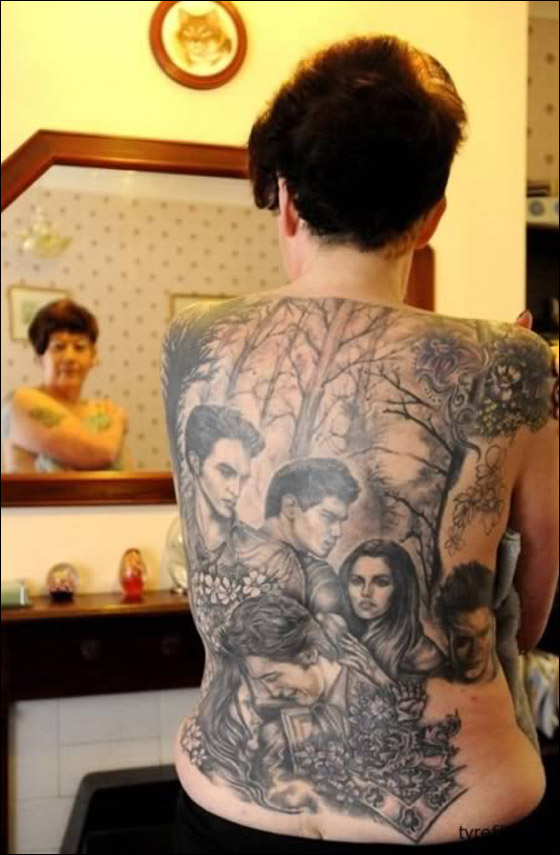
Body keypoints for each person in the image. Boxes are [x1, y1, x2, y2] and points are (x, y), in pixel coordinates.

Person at [163, 34, 559, 852]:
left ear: (287, 202)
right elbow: (532, 606)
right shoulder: (513, 362)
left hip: (234, 812)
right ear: (433, 214)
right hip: (454, 818)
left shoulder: (190, 339)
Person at [1, 298, 130, 471]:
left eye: (80, 347)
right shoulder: (20, 400)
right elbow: (98, 453)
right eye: (59, 347)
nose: (69, 357)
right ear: (39, 357)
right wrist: (119, 420)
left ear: (94, 356)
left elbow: (127, 476)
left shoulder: (102, 411)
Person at [261, 457, 359, 616]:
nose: (337, 532)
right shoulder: (320, 581)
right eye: (328, 517)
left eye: (340, 521)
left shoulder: (227, 549)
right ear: (290, 507)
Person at [338, 539, 445, 682]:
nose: (366, 592)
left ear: (400, 589)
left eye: (381, 582)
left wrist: (375, 673)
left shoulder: (423, 656)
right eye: (357, 581)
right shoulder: (347, 635)